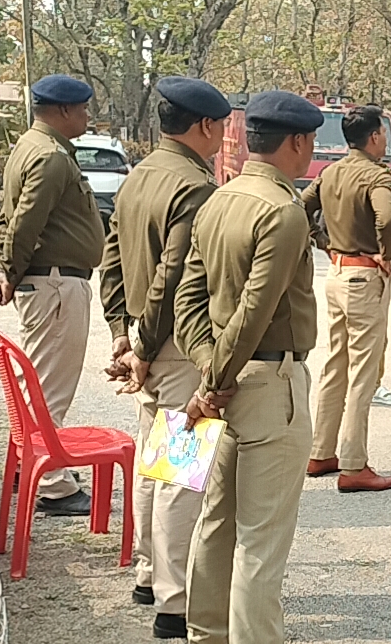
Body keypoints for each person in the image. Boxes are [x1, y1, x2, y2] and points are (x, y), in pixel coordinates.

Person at [173, 90, 321, 644]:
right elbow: (255, 313)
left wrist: (208, 373)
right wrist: (214, 382)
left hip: (223, 379)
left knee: (217, 522)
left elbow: (188, 298)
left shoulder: (220, 199)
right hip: (267, 381)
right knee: (260, 540)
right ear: (298, 142)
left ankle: (206, 633)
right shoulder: (283, 211)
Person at [97, 76, 229, 639]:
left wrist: (122, 334)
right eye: (221, 127)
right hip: (174, 344)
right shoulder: (194, 186)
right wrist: (145, 347)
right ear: (205, 126)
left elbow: (112, 260)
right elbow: (172, 277)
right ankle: (175, 601)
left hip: (145, 339)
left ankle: (150, 575)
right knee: (179, 472)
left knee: (154, 465)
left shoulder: (140, 174)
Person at [0, 74, 104, 517]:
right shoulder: (51, 157)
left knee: (38, 383)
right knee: (48, 390)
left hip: (47, 281)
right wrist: (9, 270)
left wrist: (6, 267)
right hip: (55, 284)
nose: (87, 116)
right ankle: (54, 485)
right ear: (63, 111)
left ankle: (31, 465)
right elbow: (24, 223)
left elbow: (7, 218)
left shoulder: (28, 146)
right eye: (83, 109)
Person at [302, 105, 391, 493]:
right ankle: (354, 463)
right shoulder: (377, 175)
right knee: (363, 372)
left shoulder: (330, 172)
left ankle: (321, 450)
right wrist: (386, 253)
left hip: (337, 272)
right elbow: (387, 218)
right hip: (365, 274)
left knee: (336, 365)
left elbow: (302, 208)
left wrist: (322, 241)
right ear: (374, 136)